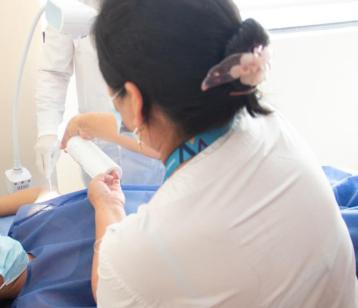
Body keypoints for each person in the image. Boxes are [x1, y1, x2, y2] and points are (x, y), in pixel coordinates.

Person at [59, 0, 358, 307]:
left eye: (115, 100)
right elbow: (180, 134)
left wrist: (108, 207)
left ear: (134, 102)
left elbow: (107, 287)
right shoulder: (270, 124)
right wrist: (98, 125)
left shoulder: (138, 251)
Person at [0, 185, 157, 308]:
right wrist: (107, 206)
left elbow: (42, 193)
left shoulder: (25, 230)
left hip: (160, 201)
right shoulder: (38, 302)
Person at [33, 0, 164, 186]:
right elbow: (54, 71)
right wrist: (47, 130)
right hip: (96, 147)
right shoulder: (71, 8)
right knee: (102, 204)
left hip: (149, 141)